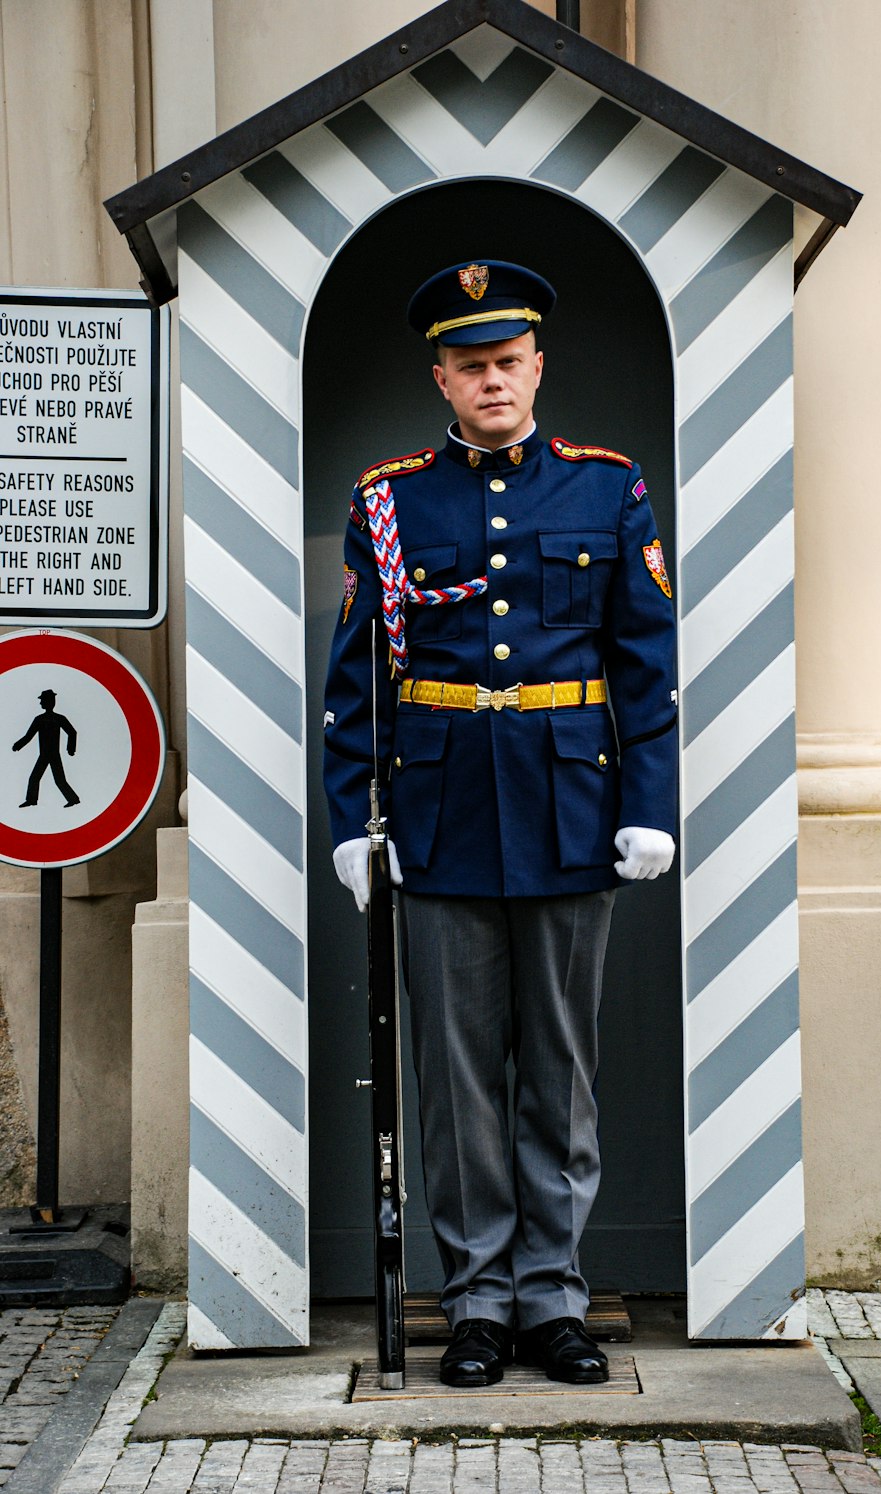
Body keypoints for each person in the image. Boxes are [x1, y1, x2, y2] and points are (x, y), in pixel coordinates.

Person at [323, 260, 678, 1387]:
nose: (491, 381)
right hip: (439, 816)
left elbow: (645, 665)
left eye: (507, 362)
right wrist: (350, 817)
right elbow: (355, 682)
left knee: (558, 1073)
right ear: (441, 376)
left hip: (572, 809)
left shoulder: (607, 489)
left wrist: (647, 806)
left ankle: (551, 1300)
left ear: (537, 367)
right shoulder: (389, 501)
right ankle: (475, 1301)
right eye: (469, 365)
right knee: (459, 1077)